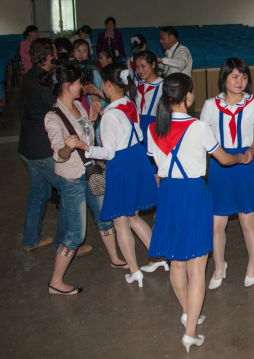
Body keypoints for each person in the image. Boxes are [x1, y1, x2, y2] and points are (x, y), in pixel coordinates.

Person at [146, 73, 248, 352]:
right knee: (197, 267)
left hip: (168, 194)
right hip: (194, 194)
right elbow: (224, 159)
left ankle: (188, 312)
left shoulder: (153, 128)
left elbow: (156, 166)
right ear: (188, 96)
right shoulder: (200, 127)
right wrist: (241, 156)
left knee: (177, 262)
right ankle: (190, 331)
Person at [43, 64, 127, 295]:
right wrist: (66, 149)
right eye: (78, 83)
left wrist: (90, 121)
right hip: (72, 179)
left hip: (91, 172)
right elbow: (58, 153)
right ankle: (55, 283)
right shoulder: (53, 117)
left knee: (104, 218)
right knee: (76, 234)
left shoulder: (80, 105)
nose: (82, 87)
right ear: (67, 86)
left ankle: (115, 258)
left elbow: (85, 138)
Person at [80, 63, 160, 284]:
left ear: (106, 84)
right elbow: (127, 130)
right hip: (137, 159)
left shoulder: (110, 115)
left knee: (121, 221)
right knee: (132, 216)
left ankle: (134, 270)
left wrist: (85, 147)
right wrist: (103, 112)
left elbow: (107, 152)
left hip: (121, 165)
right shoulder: (128, 103)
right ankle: (158, 256)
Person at [200, 58, 254, 289]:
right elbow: (203, 138)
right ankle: (219, 266)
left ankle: (253, 263)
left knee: (247, 222)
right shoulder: (210, 105)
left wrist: (251, 150)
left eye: (244, 76)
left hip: (247, 165)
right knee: (216, 224)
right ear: (224, 78)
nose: (240, 81)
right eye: (235, 76)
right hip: (220, 164)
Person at [18, 38, 69, 254]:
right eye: (54, 54)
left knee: (38, 194)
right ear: (48, 57)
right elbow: (60, 108)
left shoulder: (30, 77)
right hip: (41, 151)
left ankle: (31, 240)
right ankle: (67, 244)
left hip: (27, 148)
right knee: (70, 191)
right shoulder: (41, 84)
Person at [134, 51, 164, 181]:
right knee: (141, 168)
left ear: (153, 64)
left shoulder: (163, 85)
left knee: (154, 169)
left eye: (143, 66)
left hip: (154, 129)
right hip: (138, 130)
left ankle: (158, 198)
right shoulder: (137, 85)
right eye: (137, 67)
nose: (140, 70)